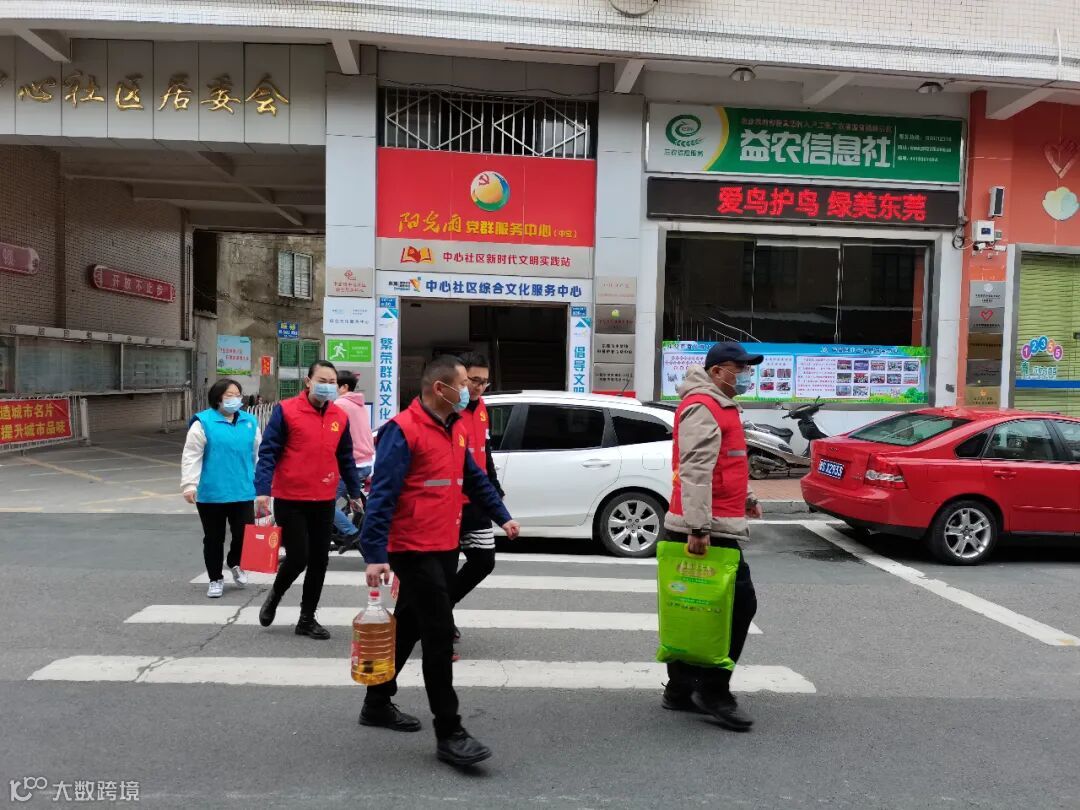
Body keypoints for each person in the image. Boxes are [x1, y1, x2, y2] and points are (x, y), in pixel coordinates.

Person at [358, 355, 520, 767]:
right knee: (438, 633)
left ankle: (376, 701)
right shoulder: (402, 431)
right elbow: (382, 495)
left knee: (409, 625)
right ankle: (450, 732)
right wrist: (374, 553)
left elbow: (474, 478)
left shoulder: (456, 427)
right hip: (413, 547)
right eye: (463, 383)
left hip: (445, 541)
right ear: (440, 389)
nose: (470, 390)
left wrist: (502, 516)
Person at [661, 341, 763, 732]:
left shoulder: (721, 404)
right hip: (706, 527)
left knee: (696, 606)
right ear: (718, 371)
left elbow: (727, 464)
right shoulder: (705, 406)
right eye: (741, 368)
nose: (747, 375)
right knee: (739, 605)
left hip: (714, 520)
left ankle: (680, 689)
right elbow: (695, 469)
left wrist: (747, 497)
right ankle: (713, 690)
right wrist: (698, 527)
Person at [254, 360, 365, 640]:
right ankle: (275, 595)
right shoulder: (286, 410)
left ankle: (306, 618)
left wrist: (355, 492)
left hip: (324, 498)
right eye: (322, 381)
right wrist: (262, 490)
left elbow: (346, 457)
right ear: (308, 381)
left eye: (332, 382)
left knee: (319, 560)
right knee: (298, 557)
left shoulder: (340, 416)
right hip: (290, 497)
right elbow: (268, 452)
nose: (327, 386)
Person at [180, 379, 260, 598]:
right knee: (214, 538)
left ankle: (234, 562)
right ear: (217, 398)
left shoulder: (250, 421)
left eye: (238, 395)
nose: (235, 399)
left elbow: (259, 454)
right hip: (212, 492)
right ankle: (215, 578)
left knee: (244, 534)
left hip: (243, 489)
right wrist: (189, 484)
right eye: (229, 395)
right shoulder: (203, 422)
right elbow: (191, 455)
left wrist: (263, 484)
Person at [450, 352, 504, 651]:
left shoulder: (482, 408)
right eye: (474, 380)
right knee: (444, 567)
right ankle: (439, 619)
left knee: (483, 561)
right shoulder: (446, 409)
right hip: (447, 502)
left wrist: (494, 489)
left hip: (476, 500)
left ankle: (441, 606)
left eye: (484, 382)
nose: (479, 387)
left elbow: (485, 451)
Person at [330, 370, 375, 551]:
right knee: (348, 499)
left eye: (334, 384)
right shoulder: (359, 404)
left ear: (344, 387)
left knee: (326, 504)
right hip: (365, 463)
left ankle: (352, 532)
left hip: (352, 464)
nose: (331, 388)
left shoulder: (340, 404)